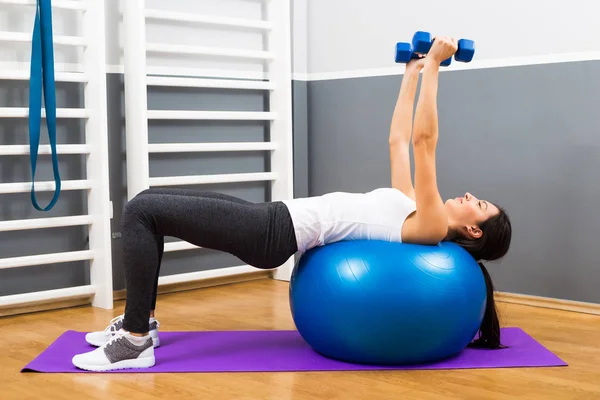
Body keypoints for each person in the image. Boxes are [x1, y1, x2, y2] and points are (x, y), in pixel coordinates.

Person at [72, 36, 512, 371]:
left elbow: (423, 142)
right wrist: (413, 71)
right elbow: (399, 140)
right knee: (148, 203)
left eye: (480, 205)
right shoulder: (413, 205)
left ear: (473, 230)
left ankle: (134, 341)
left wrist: (436, 65)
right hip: (274, 216)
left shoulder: (432, 225)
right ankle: (142, 323)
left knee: (140, 212)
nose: (471, 196)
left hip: (273, 233)